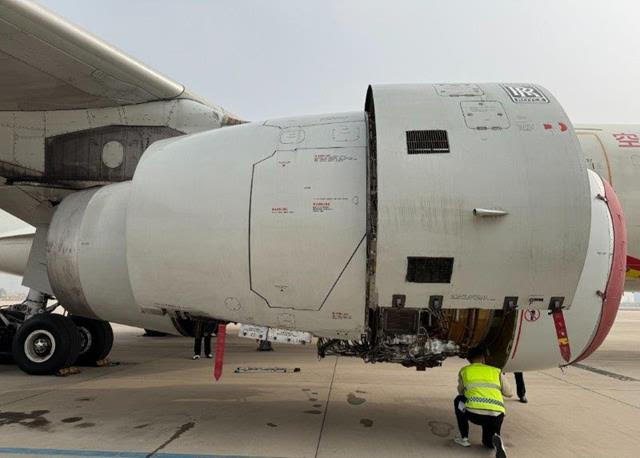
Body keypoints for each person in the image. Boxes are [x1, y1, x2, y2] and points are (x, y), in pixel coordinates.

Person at [453, 346, 511, 458]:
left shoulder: (465, 370)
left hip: (474, 414)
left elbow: (460, 391)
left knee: (458, 400)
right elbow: (509, 393)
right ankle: (496, 443)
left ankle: (463, 437)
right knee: (487, 443)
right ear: (484, 358)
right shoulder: (496, 371)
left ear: (469, 360)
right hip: (496, 415)